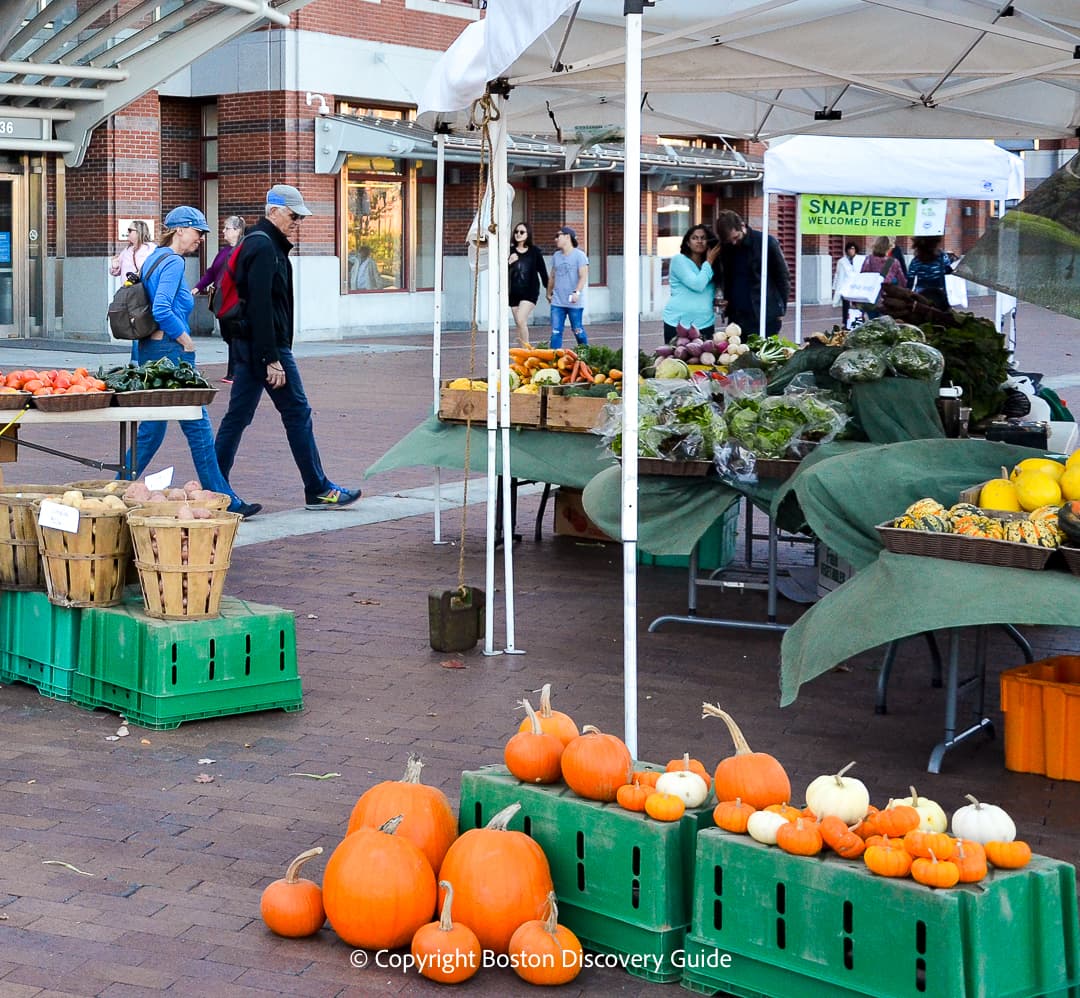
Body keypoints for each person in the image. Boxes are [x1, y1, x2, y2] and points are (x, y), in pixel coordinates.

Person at [214, 184, 361, 511]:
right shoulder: (264, 247)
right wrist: (272, 358)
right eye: (293, 215)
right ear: (274, 211)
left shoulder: (261, 243)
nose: (296, 221)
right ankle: (317, 488)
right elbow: (260, 307)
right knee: (294, 413)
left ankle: (216, 489)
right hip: (265, 349)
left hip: (253, 348)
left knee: (240, 417)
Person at [124, 206, 260, 518]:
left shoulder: (154, 257)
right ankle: (227, 499)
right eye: (198, 231)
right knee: (196, 427)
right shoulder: (171, 262)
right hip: (171, 355)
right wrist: (185, 339)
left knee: (156, 431)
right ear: (180, 230)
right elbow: (160, 308)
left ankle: (119, 484)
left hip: (151, 352)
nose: (201, 238)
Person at [715, 210, 790, 338]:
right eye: (729, 240)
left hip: (765, 311)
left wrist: (781, 307)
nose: (733, 243)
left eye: (736, 237)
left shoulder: (767, 242)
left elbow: (783, 277)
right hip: (737, 314)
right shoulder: (726, 248)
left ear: (742, 226)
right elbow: (726, 276)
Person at [194, 215, 245, 383]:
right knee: (228, 336)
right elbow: (212, 272)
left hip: (236, 300)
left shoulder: (244, 250)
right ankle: (235, 371)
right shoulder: (223, 252)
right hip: (222, 299)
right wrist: (198, 287)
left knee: (235, 336)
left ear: (237, 230)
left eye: (227, 228)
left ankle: (235, 372)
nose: (223, 231)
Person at [662, 224, 722, 342]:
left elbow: (704, 290)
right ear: (688, 243)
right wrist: (709, 260)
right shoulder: (679, 260)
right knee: (676, 360)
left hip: (705, 323)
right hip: (678, 323)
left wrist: (715, 301)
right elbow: (697, 285)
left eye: (703, 238)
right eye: (695, 238)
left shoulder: (712, 266)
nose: (699, 241)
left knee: (705, 360)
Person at [546, 225, 589, 349]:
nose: (556, 239)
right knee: (556, 332)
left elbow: (583, 276)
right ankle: (554, 357)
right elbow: (552, 276)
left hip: (574, 302)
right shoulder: (556, 256)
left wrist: (577, 292)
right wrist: (549, 293)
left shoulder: (579, 256)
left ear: (567, 236)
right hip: (558, 301)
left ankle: (585, 353)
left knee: (577, 330)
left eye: (558, 236)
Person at [507, 222, 549, 347]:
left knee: (520, 319)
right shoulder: (510, 251)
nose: (518, 234)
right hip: (513, 292)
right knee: (519, 323)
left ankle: (527, 350)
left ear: (527, 234)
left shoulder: (534, 252)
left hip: (530, 292)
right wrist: (508, 262)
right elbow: (502, 273)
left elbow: (543, 271)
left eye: (522, 232)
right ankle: (522, 354)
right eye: (516, 232)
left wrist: (549, 291)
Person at [859, 235, 906, 319]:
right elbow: (902, 282)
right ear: (888, 248)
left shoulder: (868, 260)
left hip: (871, 299)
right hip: (887, 300)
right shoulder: (894, 262)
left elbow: (862, 277)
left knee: (871, 324)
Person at [907, 234, 953, 310]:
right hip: (939, 291)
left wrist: (908, 293)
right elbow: (948, 271)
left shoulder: (916, 260)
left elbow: (910, 278)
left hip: (921, 290)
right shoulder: (942, 257)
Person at [832, 241, 861, 329]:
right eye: (849, 249)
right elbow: (838, 274)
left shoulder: (860, 260)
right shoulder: (842, 261)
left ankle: (858, 320)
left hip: (856, 285)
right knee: (846, 305)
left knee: (858, 305)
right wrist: (835, 287)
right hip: (845, 285)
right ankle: (845, 321)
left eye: (853, 249)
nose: (851, 251)